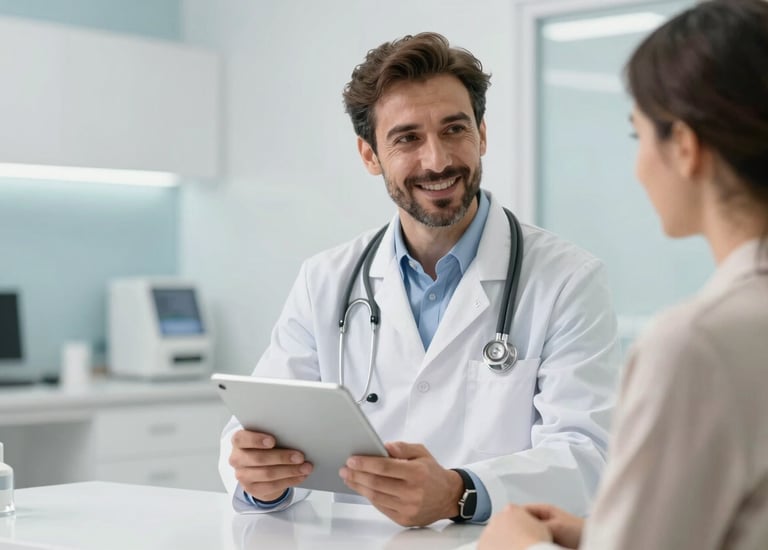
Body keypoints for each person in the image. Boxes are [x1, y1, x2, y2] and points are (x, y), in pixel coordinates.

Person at [219, 32, 621, 528]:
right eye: (407, 138)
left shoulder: (566, 279)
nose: (437, 161)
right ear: (369, 156)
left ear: (483, 135)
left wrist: (461, 493)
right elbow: (258, 425)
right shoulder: (325, 280)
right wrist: (259, 479)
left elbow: (588, 455)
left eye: (455, 129)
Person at [477, 1, 768, 548]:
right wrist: (600, 538)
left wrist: (518, 546)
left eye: (638, 137)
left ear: (684, 146)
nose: (637, 168)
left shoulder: (698, 344)